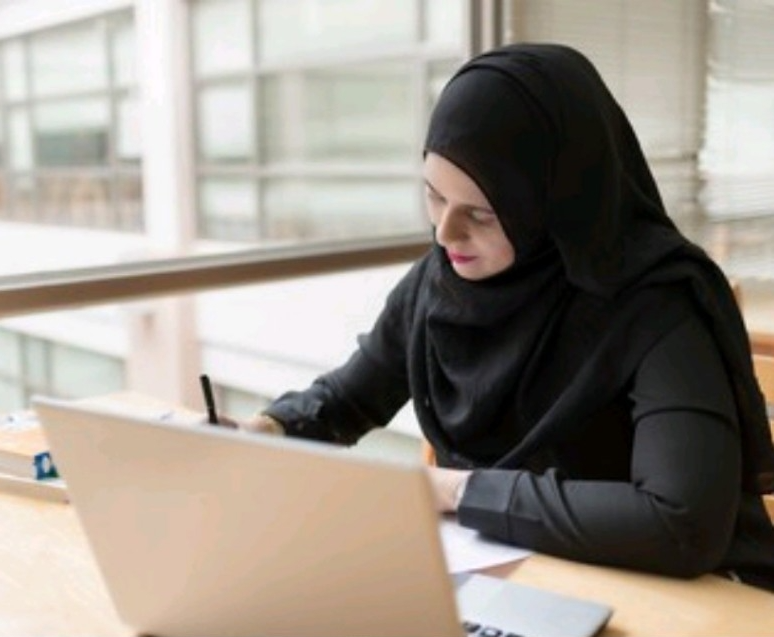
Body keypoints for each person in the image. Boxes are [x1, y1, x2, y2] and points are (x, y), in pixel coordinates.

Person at [230, 43, 774, 590]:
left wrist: (459, 491)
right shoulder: (438, 283)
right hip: (520, 581)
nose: (445, 235)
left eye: (481, 214)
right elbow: (348, 398)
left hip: (681, 598)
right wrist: (270, 427)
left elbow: (679, 523)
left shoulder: (658, 305)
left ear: (554, 204)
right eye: (434, 197)